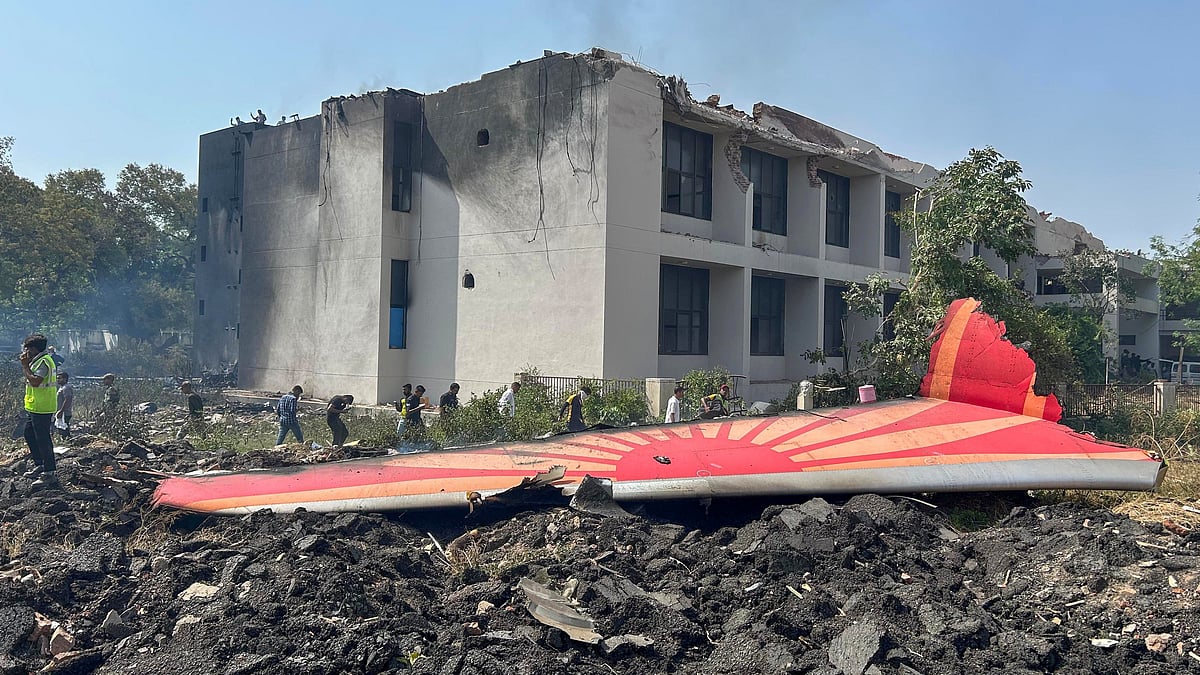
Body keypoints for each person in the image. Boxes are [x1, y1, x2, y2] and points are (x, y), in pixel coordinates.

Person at [20, 334, 58, 488]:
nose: (25, 351)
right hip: (35, 406)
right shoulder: (37, 360)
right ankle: (40, 464)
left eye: (27, 348)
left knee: (43, 439)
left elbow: (35, 382)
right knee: (29, 434)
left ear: (34, 349)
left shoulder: (43, 362)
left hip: (42, 407)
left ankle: (50, 472)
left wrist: (24, 366)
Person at [55, 372, 74, 439]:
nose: (58, 380)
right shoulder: (62, 388)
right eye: (57, 378)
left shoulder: (66, 388)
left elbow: (68, 399)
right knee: (61, 428)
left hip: (65, 413)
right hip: (61, 412)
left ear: (65, 379)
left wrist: (61, 411)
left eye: (59, 378)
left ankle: (68, 442)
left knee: (64, 429)